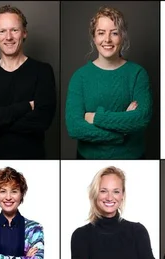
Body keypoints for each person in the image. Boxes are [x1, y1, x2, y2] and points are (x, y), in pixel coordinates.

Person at [0, 5, 57, 159]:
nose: (8, 37)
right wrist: (26, 106)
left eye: (14, 30)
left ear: (24, 33)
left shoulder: (42, 71)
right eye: (2, 31)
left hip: (33, 159)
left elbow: (43, 121)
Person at [65, 7, 153, 159]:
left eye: (114, 32)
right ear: (94, 37)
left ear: (122, 36)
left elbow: (141, 118)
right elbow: (75, 128)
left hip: (132, 160)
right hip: (88, 160)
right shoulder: (80, 77)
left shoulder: (138, 74)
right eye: (101, 33)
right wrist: (122, 131)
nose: (107, 39)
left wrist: (95, 118)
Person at [70, 166, 157, 259]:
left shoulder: (137, 231)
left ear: (122, 195)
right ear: (95, 193)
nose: (110, 197)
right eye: (104, 191)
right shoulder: (81, 235)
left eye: (116, 191)